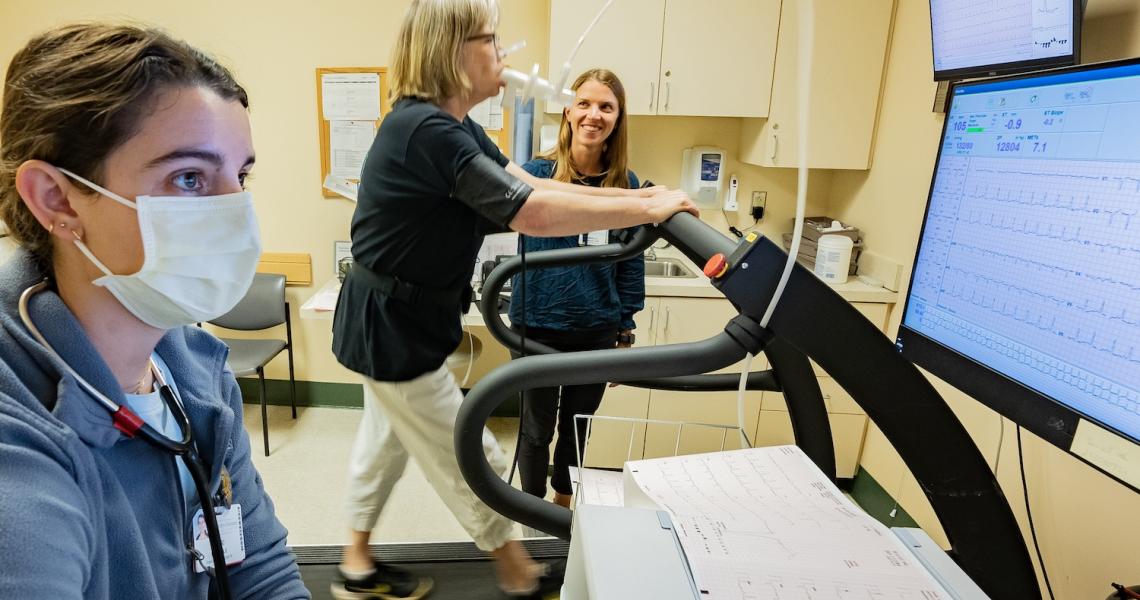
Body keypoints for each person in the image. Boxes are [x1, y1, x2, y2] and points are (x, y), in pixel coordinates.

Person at [330, 1, 696, 598]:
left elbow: (534, 185)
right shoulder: (424, 131)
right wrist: (645, 208)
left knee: (385, 439)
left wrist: (644, 200)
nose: (503, 53)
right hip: (392, 325)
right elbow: (534, 213)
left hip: (401, 318)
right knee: (464, 445)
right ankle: (515, 567)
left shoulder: (452, 128)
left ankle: (356, 560)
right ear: (453, 52)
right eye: (491, 40)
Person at [0, 23, 308, 599]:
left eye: (240, 176)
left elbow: (262, 571)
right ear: (56, 199)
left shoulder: (193, 370)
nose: (235, 213)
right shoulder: (17, 436)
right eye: (188, 178)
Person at [509, 68, 644, 509]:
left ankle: (561, 505)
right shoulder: (535, 174)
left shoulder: (626, 186)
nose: (594, 114)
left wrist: (625, 330)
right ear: (568, 111)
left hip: (595, 328)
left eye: (606, 106)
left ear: (618, 118)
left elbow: (630, 260)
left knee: (577, 427)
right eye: (584, 103)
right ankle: (531, 511)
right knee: (535, 428)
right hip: (537, 323)